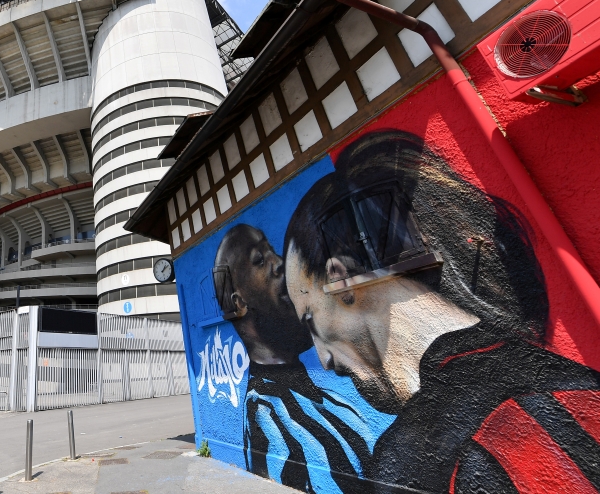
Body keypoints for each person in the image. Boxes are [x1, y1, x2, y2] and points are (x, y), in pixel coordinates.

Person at [284, 130, 600, 493]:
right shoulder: (572, 381)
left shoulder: (414, 460)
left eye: (310, 318)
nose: (323, 360)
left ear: (342, 278)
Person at [212, 223, 393, 493]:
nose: (279, 263)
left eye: (272, 251)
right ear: (238, 304)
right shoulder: (268, 416)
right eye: (260, 260)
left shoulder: (325, 398)